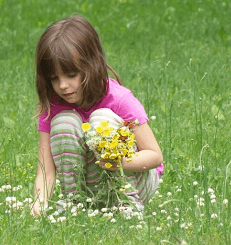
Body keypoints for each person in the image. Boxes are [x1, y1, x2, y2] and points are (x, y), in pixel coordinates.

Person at [31, 15, 163, 216]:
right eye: (54, 78)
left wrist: (118, 162)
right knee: (64, 122)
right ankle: (73, 203)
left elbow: (155, 156)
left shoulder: (119, 99)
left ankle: (126, 205)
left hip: (135, 180)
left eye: (71, 75)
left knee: (101, 119)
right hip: (94, 187)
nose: (63, 85)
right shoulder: (54, 107)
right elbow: (46, 169)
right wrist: (39, 204)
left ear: (91, 65)